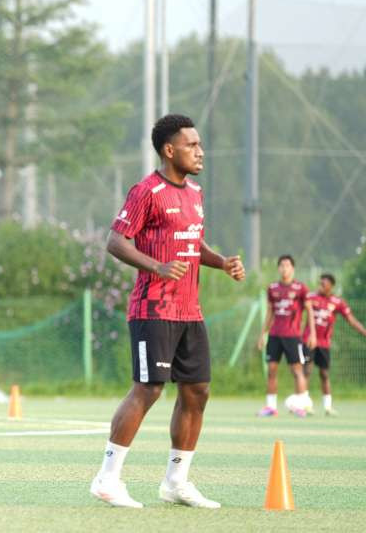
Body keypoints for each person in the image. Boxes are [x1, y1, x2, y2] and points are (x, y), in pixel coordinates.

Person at [90, 114, 245, 509]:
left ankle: (176, 482)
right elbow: (115, 241)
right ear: (169, 150)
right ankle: (107, 479)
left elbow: (195, 243)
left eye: (200, 144)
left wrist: (222, 261)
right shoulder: (147, 191)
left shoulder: (194, 192)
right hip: (153, 309)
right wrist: (157, 266)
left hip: (189, 311)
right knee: (149, 389)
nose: (200, 151)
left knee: (197, 391)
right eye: (192, 145)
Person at [256, 255, 316, 417]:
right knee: (271, 370)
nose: (284, 268)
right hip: (275, 335)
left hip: (293, 336)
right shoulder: (273, 288)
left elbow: (310, 311)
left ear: (293, 269)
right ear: (278, 268)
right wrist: (263, 334)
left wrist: (313, 334)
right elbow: (270, 313)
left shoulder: (301, 288)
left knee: (297, 370)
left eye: (287, 265)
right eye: (281, 265)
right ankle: (270, 407)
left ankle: (302, 406)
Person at [304, 273, 366, 416]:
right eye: (320, 283)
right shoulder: (311, 298)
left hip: (324, 343)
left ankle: (328, 407)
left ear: (331, 286)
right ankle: (305, 404)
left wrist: (364, 332)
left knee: (324, 374)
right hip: (309, 340)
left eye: (324, 284)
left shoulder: (337, 302)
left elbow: (351, 320)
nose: (321, 286)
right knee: (306, 371)